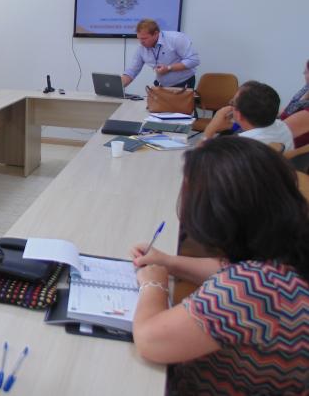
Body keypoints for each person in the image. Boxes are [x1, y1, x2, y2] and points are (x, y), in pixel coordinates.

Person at [130, 137, 309, 395]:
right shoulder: (286, 253)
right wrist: (168, 262)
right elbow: (224, 269)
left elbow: (149, 340)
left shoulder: (250, 288)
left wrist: (153, 283)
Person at [201, 80, 294, 150]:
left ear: (239, 115)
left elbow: (194, 166)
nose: (230, 104)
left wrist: (211, 128)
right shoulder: (283, 127)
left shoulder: (237, 146)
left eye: (233, 102)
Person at [121, 19, 199, 89]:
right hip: (162, 86)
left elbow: (194, 60)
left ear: (156, 34)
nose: (141, 42)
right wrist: (118, 86)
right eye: (139, 38)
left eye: (144, 38)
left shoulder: (176, 39)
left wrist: (169, 68)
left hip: (184, 84)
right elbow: (132, 71)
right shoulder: (142, 48)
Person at [281, 59, 309, 149]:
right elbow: (286, 110)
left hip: (290, 152)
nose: (303, 74)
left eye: (306, 72)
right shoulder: (305, 90)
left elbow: (281, 131)